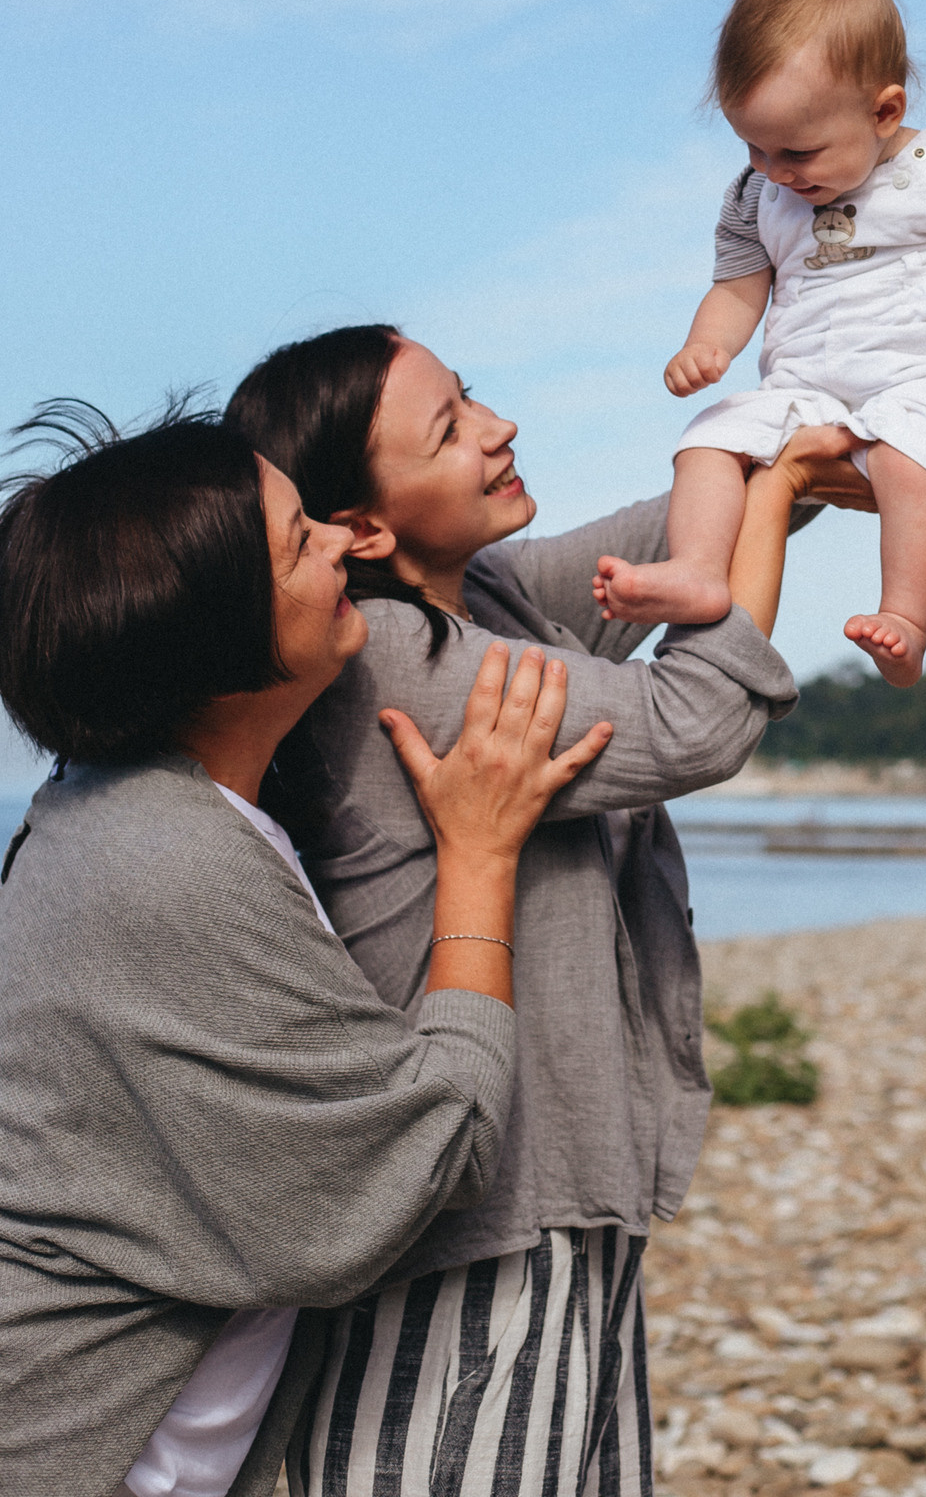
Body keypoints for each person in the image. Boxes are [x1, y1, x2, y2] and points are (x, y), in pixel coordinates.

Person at [223, 326, 867, 1497]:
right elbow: (691, 722)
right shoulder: (404, 661)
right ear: (360, 527)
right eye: (451, 427)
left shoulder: (495, 592)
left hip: (555, 1177)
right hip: (472, 1209)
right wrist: (764, 513)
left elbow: (680, 523)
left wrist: (802, 417)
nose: (498, 425)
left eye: (471, 396)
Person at [0, 401, 613, 1497]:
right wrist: (478, 857)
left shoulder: (125, 810)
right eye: (298, 541)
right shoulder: (167, 862)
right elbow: (425, 1155)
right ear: (216, 631)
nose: (338, 540)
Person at [594, 0, 926, 685]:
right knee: (708, 440)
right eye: (752, 146)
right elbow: (739, 286)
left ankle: (906, 616)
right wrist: (706, 345)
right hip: (806, 386)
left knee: (909, 456)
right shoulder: (757, 197)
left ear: (884, 110)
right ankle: (694, 570)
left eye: (797, 151)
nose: (774, 170)